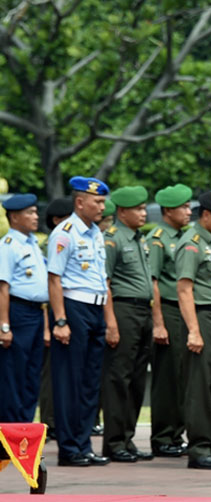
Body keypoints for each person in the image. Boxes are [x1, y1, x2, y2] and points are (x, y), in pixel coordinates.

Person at [47, 176, 110, 467]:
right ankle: (69, 448)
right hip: (73, 307)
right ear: (79, 202)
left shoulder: (96, 232)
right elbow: (54, 279)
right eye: (97, 201)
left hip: (95, 308)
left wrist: (108, 319)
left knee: (89, 382)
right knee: (69, 380)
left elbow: (102, 278)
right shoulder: (65, 233)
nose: (102, 206)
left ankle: (84, 445)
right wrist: (60, 320)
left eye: (103, 201)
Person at [100, 186, 154, 463]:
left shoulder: (139, 238)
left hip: (143, 311)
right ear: (122, 212)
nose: (144, 213)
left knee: (136, 379)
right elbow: (105, 283)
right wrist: (111, 322)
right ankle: (114, 441)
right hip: (123, 309)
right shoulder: (113, 239)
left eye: (145, 208)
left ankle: (128, 437)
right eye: (138, 209)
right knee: (118, 377)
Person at [175, 191, 211, 471]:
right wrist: (193, 331)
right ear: (206, 215)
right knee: (200, 387)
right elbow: (184, 289)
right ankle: (198, 448)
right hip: (202, 316)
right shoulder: (192, 243)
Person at [147, 184, 192, 458]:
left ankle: (176, 434)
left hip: (184, 310)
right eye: (183, 207)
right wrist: (158, 322)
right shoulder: (158, 239)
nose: (189, 212)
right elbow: (152, 282)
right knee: (166, 377)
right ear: (167, 211)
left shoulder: (182, 237)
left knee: (182, 376)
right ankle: (163, 436)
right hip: (168, 309)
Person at [0, 194, 48, 422]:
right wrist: (4, 325)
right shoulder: (8, 246)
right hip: (17, 313)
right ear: (14, 217)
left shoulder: (33, 244)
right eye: (29, 213)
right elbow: (2, 288)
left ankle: (25, 435)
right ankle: (12, 434)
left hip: (36, 313)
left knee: (31, 375)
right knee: (14, 376)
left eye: (35, 212)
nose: (35, 216)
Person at [39, 197, 74, 436]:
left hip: (59, 310)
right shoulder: (51, 245)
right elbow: (47, 287)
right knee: (50, 372)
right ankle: (49, 421)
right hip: (46, 312)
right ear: (57, 220)